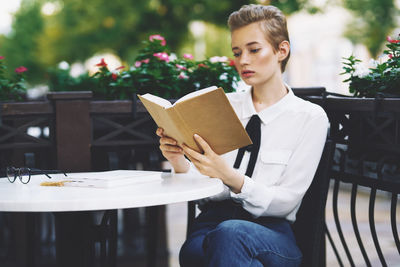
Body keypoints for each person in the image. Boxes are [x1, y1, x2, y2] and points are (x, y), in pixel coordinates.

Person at [156, 4, 328, 267]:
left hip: (273, 234)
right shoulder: (223, 106)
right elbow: (204, 192)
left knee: (232, 235)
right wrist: (178, 159)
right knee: (220, 243)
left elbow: (286, 201)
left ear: (282, 50)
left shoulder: (310, 117)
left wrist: (229, 176)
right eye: (237, 52)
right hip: (212, 225)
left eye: (254, 49)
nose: (243, 60)